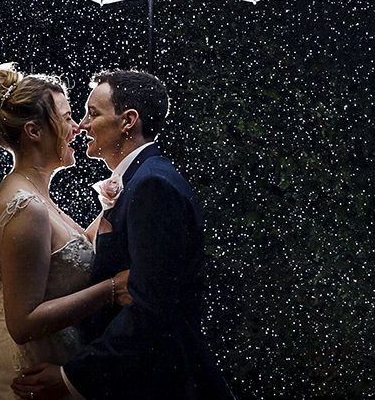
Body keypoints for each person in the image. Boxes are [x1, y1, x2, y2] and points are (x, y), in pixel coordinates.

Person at [12, 70, 233, 400]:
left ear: (128, 121)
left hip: (159, 387)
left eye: (93, 113)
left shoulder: (152, 185)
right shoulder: (140, 180)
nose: (82, 125)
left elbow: (151, 310)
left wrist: (72, 377)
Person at [0, 63, 132, 400]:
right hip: (25, 378)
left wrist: (112, 203)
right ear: (35, 131)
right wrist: (110, 289)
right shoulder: (27, 207)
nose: (78, 127)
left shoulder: (34, 196)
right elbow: (23, 324)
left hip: (50, 364)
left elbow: (70, 253)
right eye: (66, 118)